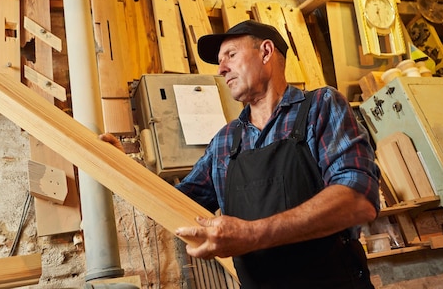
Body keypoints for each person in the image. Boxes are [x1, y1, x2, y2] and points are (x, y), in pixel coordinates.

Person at [102, 20, 380, 288]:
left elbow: (358, 198)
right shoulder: (225, 140)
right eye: (220, 62)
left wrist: (252, 234)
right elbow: (176, 203)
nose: (221, 69)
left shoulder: (320, 106)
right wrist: (124, 170)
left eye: (231, 55)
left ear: (266, 52)